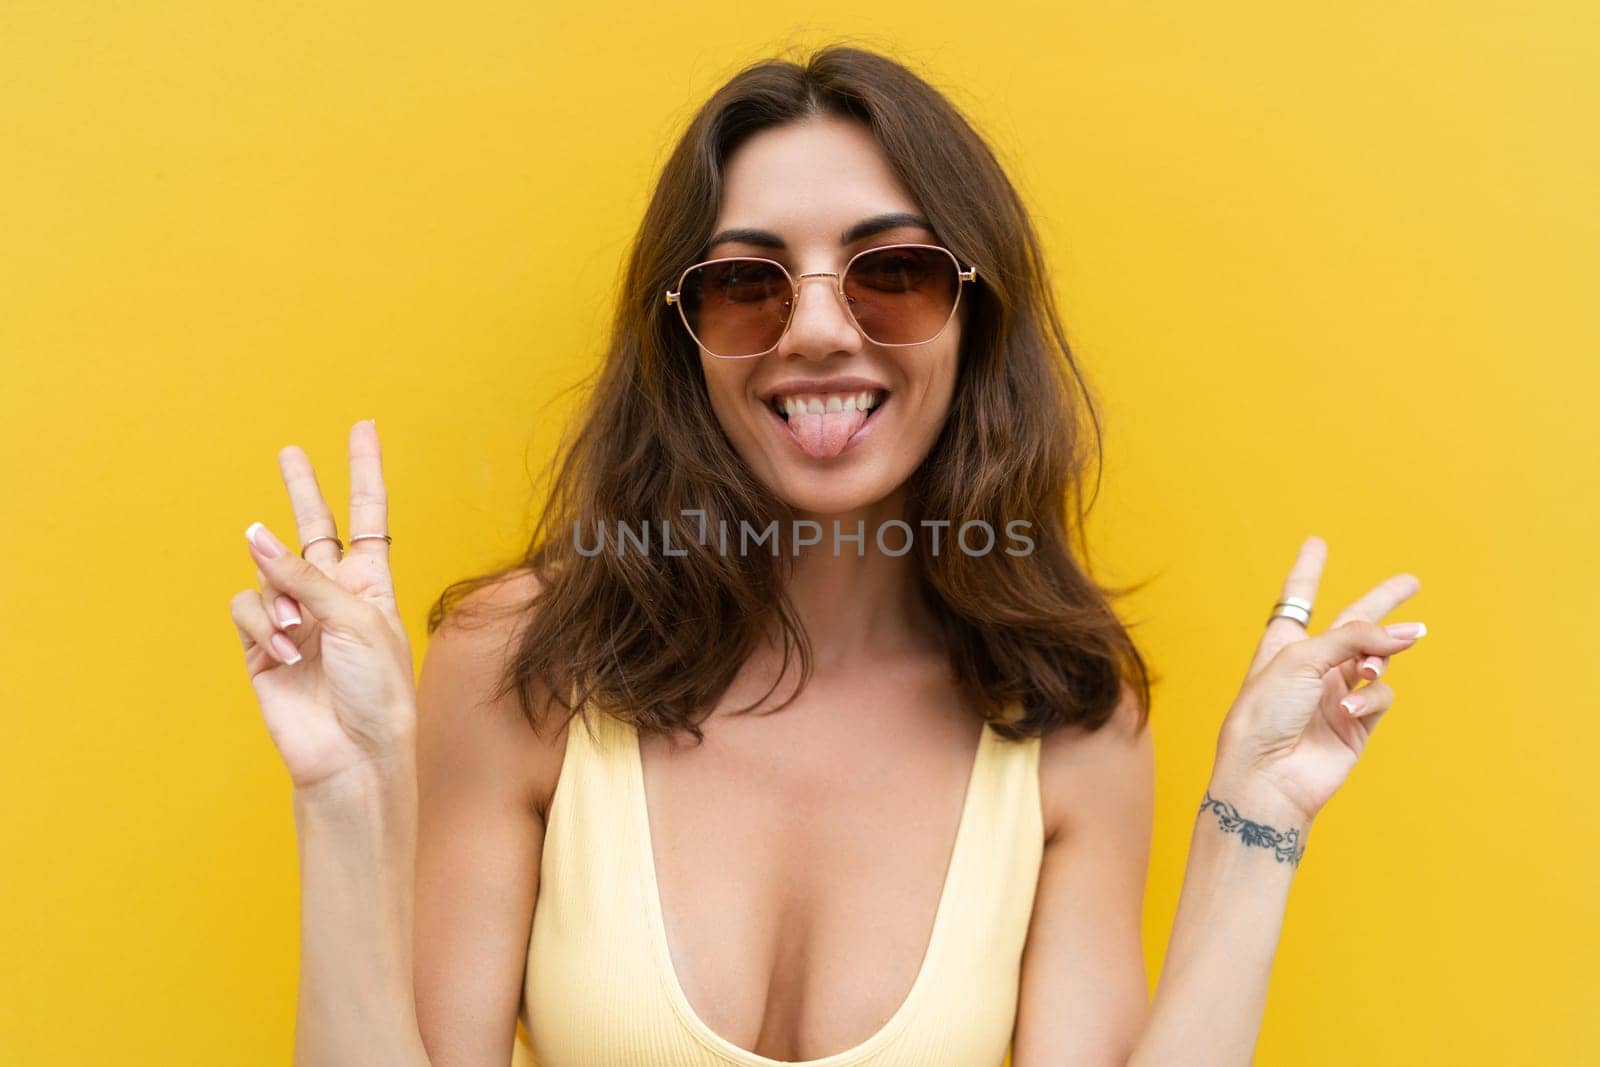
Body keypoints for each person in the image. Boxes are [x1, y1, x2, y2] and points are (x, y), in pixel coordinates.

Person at [228, 45, 1426, 1067]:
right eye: (747, 284)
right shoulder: (520, 663)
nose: (813, 328)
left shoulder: (1066, 714)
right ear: (683, 334)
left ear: (976, 315)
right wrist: (345, 793)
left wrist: (1252, 824)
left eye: (891, 273)